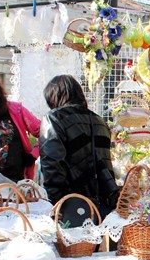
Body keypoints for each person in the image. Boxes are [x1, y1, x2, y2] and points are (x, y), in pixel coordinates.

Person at [39, 74, 120, 220]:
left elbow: (52, 164)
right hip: (104, 205)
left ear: (53, 97)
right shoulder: (99, 120)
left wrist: (56, 203)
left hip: (73, 206)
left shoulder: (54, 118)